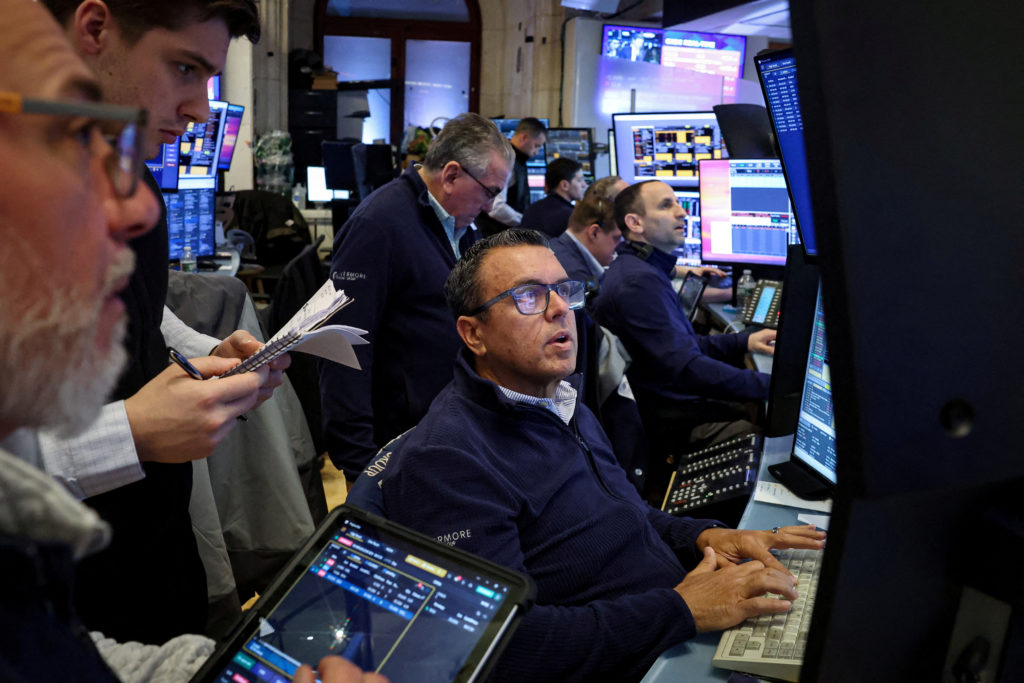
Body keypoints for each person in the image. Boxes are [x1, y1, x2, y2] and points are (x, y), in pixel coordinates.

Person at [374, 230, 825, 681]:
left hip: (669, 627)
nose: (560, 310)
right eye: (529, 296)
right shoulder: (446, 463)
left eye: (564, 291)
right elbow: (505, 646)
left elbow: (629, 515)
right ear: (474, 334)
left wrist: (705, 537)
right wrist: (682, 608)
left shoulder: (563, 402)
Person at [33, 0, 292, 644]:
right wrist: (131, 434)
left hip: (152, 546)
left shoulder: (128, 172)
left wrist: (207, 350)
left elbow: (140, 309)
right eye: (183, 69)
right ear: (94, 31)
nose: (202, 110)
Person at [319, 112, 513, 480]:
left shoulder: (460, 226)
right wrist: (359, 459)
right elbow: (341, 346)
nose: (490, 206)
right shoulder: (377, 225)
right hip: (394, 446)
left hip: (447, 431)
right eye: (489, 192)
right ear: (452, 175)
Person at [591, 180, 777, 470]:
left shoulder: (641, 270)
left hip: (667, 404)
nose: (682, 213)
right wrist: (774, 386)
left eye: (678, 203)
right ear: (634, 222)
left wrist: (743, 342)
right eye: (666, 205)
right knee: (762, 431)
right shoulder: (637, 283)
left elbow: (680, 346)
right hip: (669, 424)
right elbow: (687, 368)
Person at [476, 116, 547, 234]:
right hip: (493, 236)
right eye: (536, 146)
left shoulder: (516, 160)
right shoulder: (505, 160)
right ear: (524, 137)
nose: (537, 152)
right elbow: (496, 207)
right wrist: (526, 222)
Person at [549, 191, 621, 289]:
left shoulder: (556, 247)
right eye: (616, 238)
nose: (619, 246)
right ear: (594, 233)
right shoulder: (576, 277)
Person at [521, 157, 587, 238]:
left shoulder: (533, 208)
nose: (584, 184)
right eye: (580, 180)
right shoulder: (570, 217)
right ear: (564, 185)